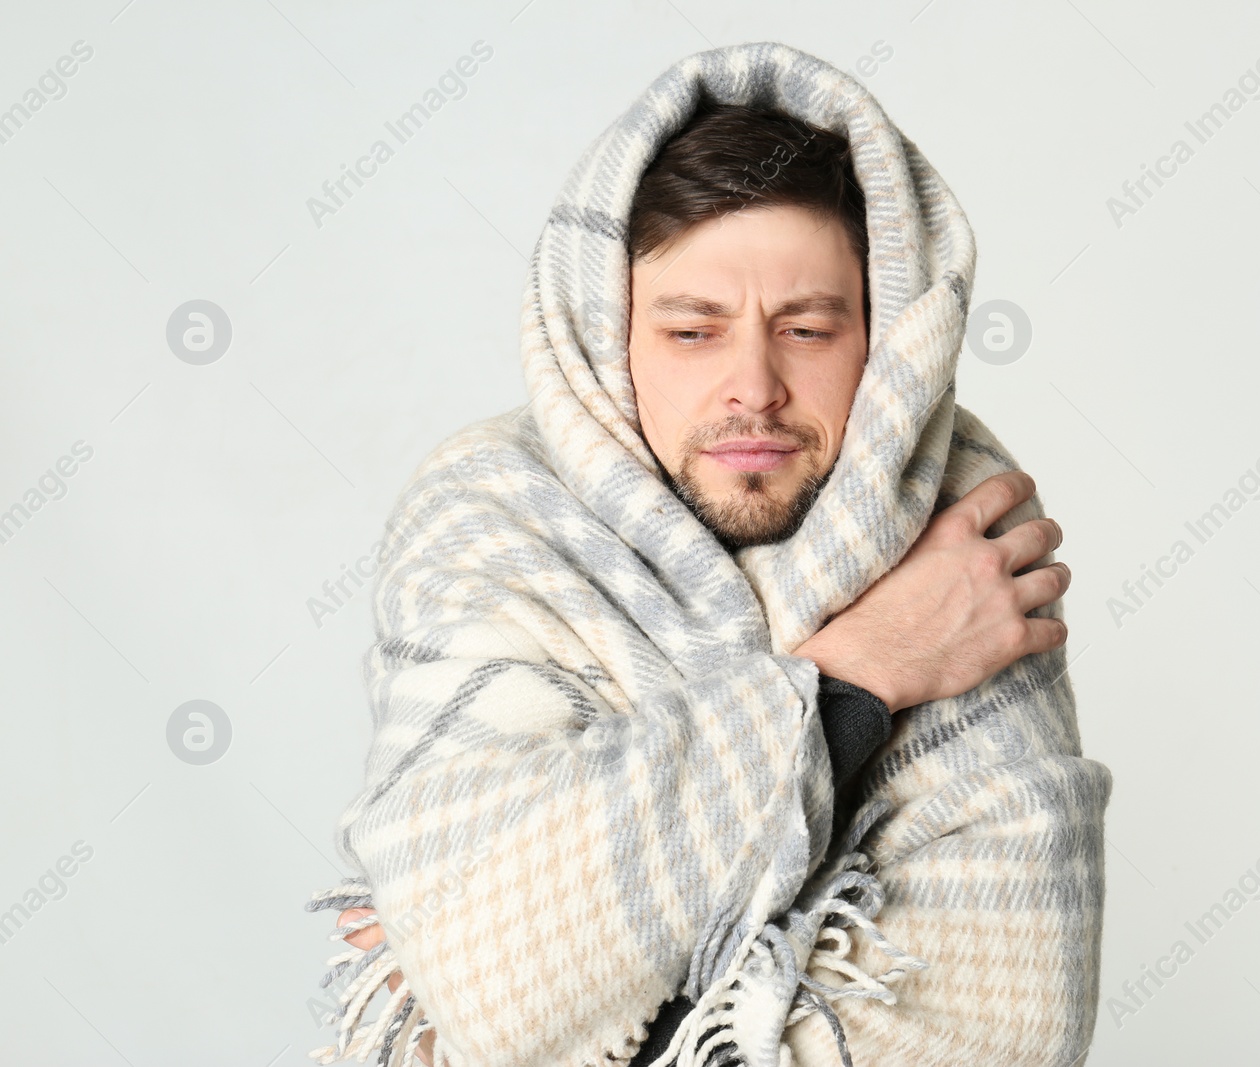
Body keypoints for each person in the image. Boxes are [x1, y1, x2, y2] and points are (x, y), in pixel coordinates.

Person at [311, 42, 1110, 1067]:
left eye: (809, 328)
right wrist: (858, 673)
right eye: (692, 330)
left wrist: (546, 968)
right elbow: (483, 968)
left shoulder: (963, 537)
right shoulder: (492, 516)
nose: (754, 386)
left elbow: (1000, 1023)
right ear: (609, 341)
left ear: (886, 339)